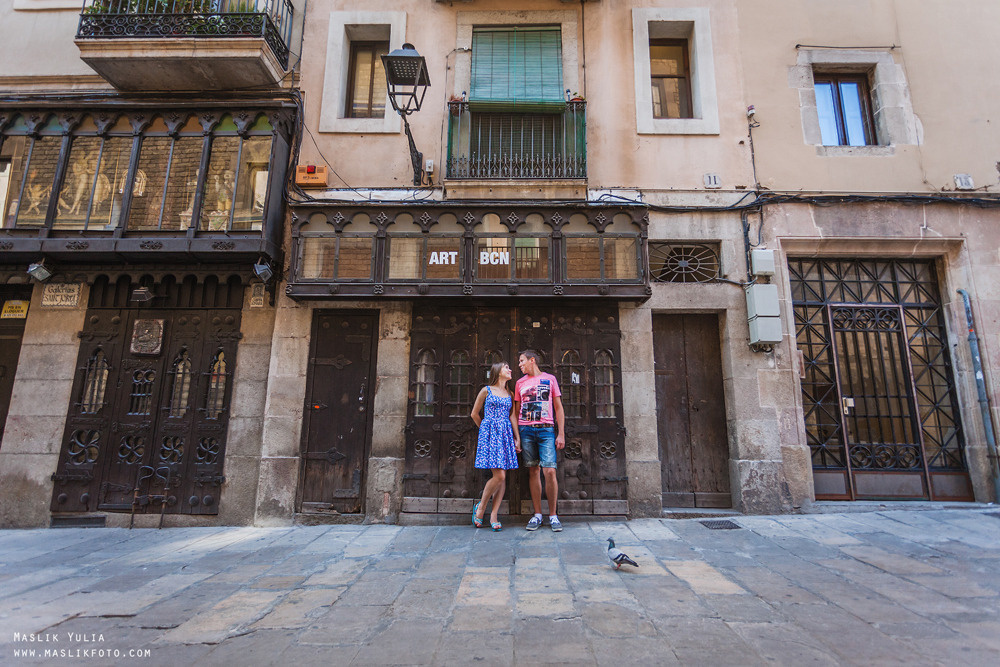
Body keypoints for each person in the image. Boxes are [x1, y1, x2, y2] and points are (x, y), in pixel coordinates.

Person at [514, 349, 565, 532]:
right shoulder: (519, 383)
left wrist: (561, 433)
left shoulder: (550, 379)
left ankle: (553, 515)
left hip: (546, 430)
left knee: (550, 471)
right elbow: (516, 412)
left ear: (532, 360)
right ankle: (537, 515)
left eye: (522, 361)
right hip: (526, 430)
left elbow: (558, 408)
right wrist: (517, 437)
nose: (519, 365)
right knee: (533, 471)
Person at [470, 361, 520, 531]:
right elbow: (474, 414)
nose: (510, 370)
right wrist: (486, 430)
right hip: (490, 435)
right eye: (506, 367)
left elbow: (512, 417)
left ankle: (494, 515)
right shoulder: (486, 390)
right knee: (499, 475)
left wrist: (517, 438)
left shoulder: (510, 393)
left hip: (505, 435)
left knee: (502, 475)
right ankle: (481, 506)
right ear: (498, 372)